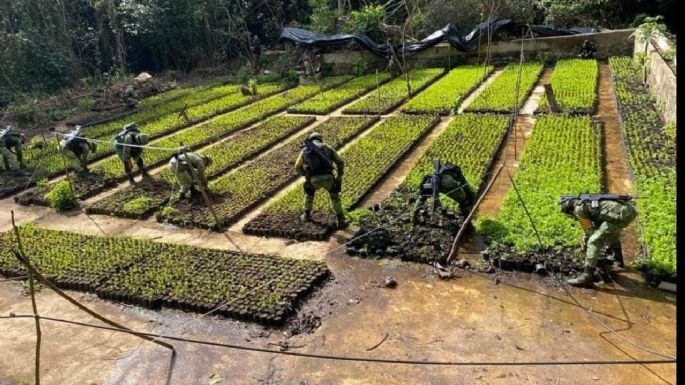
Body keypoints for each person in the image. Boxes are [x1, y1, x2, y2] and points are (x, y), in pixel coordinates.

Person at [559, 194, 637, 288]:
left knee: (594, 241)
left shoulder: (579, 209)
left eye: (569, 213)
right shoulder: (586, 203)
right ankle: (618, 259)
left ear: (570, 208)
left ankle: (587, 277)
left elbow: (590, 233)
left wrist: (586, 246)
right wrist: (585, 238)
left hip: (620, 215)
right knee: (609, 231)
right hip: (628, 211)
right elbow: (594, 224)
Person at [295, 132, 346, 228]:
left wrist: (305, 175)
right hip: (328, 178)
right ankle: (341, 220)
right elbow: (340, 161)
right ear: (320, 139)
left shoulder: (305, 150)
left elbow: (297, 166)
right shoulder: (327, 147)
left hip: (313, 179)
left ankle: (306, 215)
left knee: (309, 196)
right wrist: (339, 176)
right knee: (335, 197)